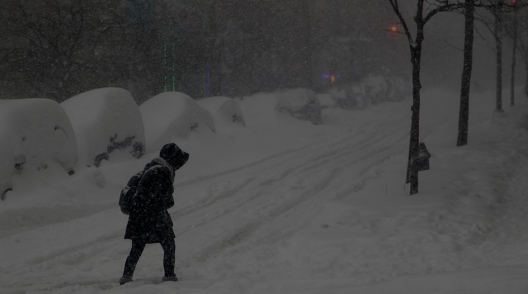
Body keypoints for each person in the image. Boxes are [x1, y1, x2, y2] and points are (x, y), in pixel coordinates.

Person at [119, 143, 189, 285]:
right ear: (173, 159)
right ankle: (169, 276)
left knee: (137, 247)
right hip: (154, 216)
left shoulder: (151, 167)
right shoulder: (162, 172)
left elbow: (143, 194)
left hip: (139, 216)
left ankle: (126, 277)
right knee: (169, 244)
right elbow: (167, 200)